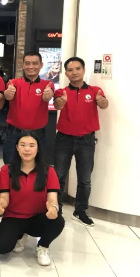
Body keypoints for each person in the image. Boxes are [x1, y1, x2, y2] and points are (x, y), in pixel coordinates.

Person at [0, 132, 65, 266]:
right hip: (14, 217)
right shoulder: (6, 170)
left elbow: (52, 198)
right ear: (17, 147)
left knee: (58, 221)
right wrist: (0, 204)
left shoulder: (48, 171)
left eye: (32, 145)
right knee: (0, 247)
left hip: (37, 218)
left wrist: (53, 208)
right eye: (23, 145)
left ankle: (42, 246)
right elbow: (4, 197)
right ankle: (20, 235)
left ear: (38, 149)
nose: (27, 149)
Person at [53, 57, 109, 227]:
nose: (74, 72)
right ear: (66, 73)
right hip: (63, 139)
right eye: (70, 70)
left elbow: (104, 104)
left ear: (83, 70)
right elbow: (57, 105)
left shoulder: (94, 90)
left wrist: (102, 101)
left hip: (86, 140)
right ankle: (56, 210)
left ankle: (80, 211)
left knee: (85, 179)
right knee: (59, 176)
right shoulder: (61, 92)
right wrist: (60, 102)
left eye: (78, 68)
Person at [2, 52, 54, 164]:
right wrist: (7, 94)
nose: (31, 66)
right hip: (14, 133)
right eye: (27, 63)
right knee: (10, 166)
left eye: (35, 63)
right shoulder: (14, 83)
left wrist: (48, 95)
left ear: (41, 65)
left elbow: (48, 96)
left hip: (38, 134)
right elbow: (7, 95)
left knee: (38, 167)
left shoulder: (47, 84)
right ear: (23, 65)